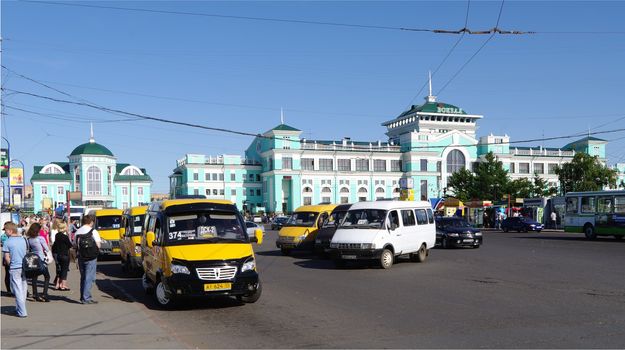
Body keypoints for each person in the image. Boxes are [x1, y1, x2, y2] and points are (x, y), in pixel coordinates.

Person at [2, 222, 28, 317]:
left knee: (17, 290)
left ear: (9, 230)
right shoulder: (23, 240)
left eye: (5, 231)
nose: (5, 233)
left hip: (14, 268)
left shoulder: (7, 242)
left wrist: (10, 265)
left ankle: (22, 312)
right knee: (23, 288)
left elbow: (7, 258)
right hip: (24, 267)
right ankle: (19, 308)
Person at [73, 215, 101, 304]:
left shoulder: (77, 232)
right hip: (91, 257)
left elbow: (74, 245)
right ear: (91, 222)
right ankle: (86, 298)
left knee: (83, 277)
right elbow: (98, 245)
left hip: (81, 257)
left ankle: (83, 297)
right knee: (90, 277)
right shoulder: (93, 231)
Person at [26, 223, 51, 302]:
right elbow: (46, 248)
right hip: (41, 259)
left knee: (34, 277)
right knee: (47, 276)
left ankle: (35, 294)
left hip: (33, 259)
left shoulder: (29, 239)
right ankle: (44, 294)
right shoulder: (40, 238)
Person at [52, 222, 72, 291]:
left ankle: (58, 284)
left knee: (59, 270)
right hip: (65, 255)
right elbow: (70, 245)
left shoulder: (57, 235)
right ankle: (63, 285)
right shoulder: (65, 237)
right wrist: (68, 234)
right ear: (63, 228)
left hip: (58, 255)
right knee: (64, 270)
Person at [2, 221, 14, 295]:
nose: (5, 232)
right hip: (8, 257)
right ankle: (9, 290)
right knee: (9, 274)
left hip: (9, 257)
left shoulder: (5, 237)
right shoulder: (4, 237)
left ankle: (9, 290)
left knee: (8, 274)